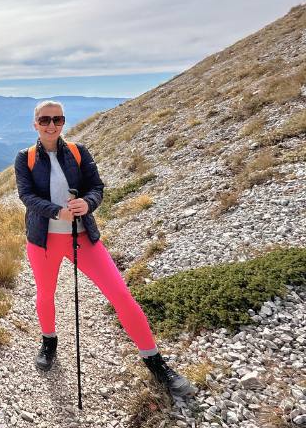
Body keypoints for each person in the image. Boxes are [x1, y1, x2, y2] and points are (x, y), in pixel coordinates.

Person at [13, 100, 192, 397]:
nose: (51, 124)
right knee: (45, 293)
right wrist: (57, 212)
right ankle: (49, 341)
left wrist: (88, 203)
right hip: (43, 240)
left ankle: (155, 361)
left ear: (63, 122)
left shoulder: (78, 152)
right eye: (45, 119)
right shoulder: (26, 158)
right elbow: (26, 196)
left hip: (82, 235)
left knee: (120, 294)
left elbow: (96, 187)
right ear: (35, 124)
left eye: (57, 119)